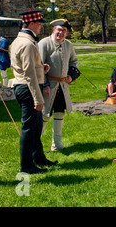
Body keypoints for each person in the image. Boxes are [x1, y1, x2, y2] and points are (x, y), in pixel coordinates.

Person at [10, 10, 58, 174]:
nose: (40, 27)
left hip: (24, 86)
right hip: (29, 88)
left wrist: (41, 68)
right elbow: (28, 73)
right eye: (39, 24)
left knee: (36, 127)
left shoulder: (20, 40)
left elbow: (25, 66)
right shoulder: (28, 43)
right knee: (29, 129)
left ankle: (39, 158)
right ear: (31, 24)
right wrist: (38, 99)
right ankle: (26, 166)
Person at [39, 19, 79, 151]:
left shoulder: (68, 45)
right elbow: (38, 65)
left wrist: (71, 76)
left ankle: (56, 144)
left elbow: (74, 61)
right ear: (53, 30)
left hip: (62, 86)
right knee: (45, 114)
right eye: (59, 29)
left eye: (64, 31)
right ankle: (35, 143)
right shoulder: (44, 43)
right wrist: (44, 84)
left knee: (60, 112)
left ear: (67, 33)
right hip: (48, 85)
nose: (61, 33)